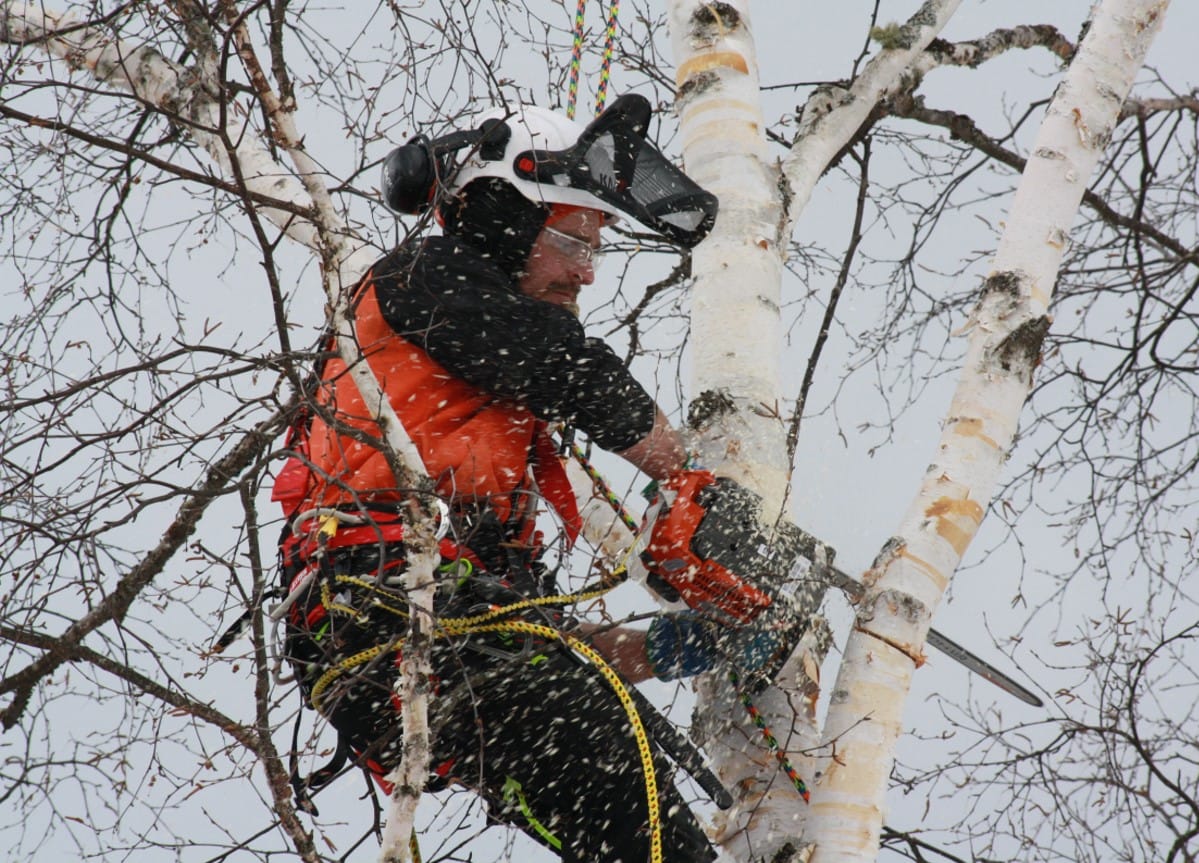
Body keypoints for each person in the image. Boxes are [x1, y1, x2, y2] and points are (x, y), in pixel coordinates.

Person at [273, 95, 746, 862]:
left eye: (597, 248)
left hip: (421, 638)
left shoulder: (478, 419)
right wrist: (702, 492)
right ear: (502, 217)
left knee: (625, 800)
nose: (585, 272)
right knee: (605, 752)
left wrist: (670, 647)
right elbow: (572, 370)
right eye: (569, 240)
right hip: (379, 601)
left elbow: (533, 634)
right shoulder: (422, 282)